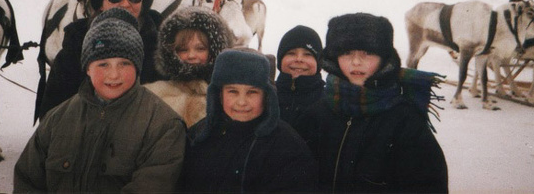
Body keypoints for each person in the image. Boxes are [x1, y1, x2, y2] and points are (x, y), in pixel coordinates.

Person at [14, 8, 186, 193]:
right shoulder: (56, 120)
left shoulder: (163, 126)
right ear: (88, 68)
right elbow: (27, 181)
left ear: (137, 67)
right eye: (103, 64)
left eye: (124, 63)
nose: (113, 74)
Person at [297, 12, 448, 193]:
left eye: (367, 53)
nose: (356, 62)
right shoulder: (317, 114)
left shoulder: (405, 122)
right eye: (346, 52)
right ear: (334, 58)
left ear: (384, 59)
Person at [36, 0, 165, 121]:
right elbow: (53, 112)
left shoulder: (162, 42)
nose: (126, 4)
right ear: (100, 3)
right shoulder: (77, 44)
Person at [179, 48, 318, 193]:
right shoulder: (199, 135)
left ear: (266, 96)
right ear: (219, 95)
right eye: (233, 91)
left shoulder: (287, 146)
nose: (241, 102)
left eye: (252, 92)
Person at [145, 6, 235, 127]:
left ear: (214, 50)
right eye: (183, 49)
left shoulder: (232, 93)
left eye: (200, 48)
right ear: (171, 52)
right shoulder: (154, 95)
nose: (191, 55)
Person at [275, 25, 325, 131]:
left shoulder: (328, 101)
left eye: (307, 54)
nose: (299, 59)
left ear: (318, 62)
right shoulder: (266, 96)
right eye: (291, 53)